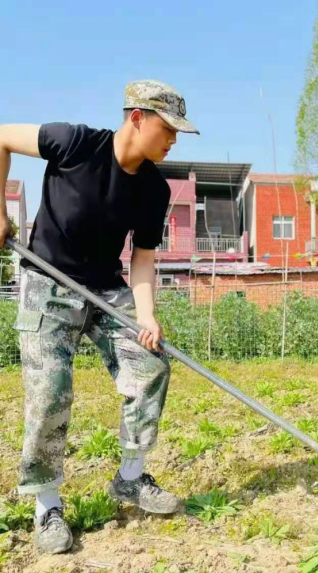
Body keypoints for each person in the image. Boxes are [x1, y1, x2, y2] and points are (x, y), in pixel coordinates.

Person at [0, 80, 199, 554]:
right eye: (168, 128)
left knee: (150, 365)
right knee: (50, 389)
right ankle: (46, 503)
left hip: (106, 288)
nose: (173, 140)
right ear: (136, 118)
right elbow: (1, 136)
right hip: (48, 281)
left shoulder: (154, 189)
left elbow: (144, 258)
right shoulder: (74, 142)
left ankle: (130, 477)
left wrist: (146, 318)